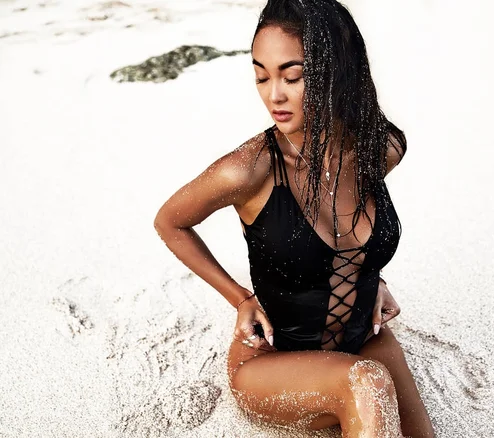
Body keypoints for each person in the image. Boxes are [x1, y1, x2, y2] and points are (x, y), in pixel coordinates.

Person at [154, 0, 435, 436]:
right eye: (261, 75)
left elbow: (352, 229)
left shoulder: (382, 149)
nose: (274, 95)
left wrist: (370, 273)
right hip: (274, 364)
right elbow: (170, 222)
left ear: (336, 73)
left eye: (293, 75)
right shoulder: (248, 169)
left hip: (364, 339)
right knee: (367, 382)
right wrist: (240, 298)